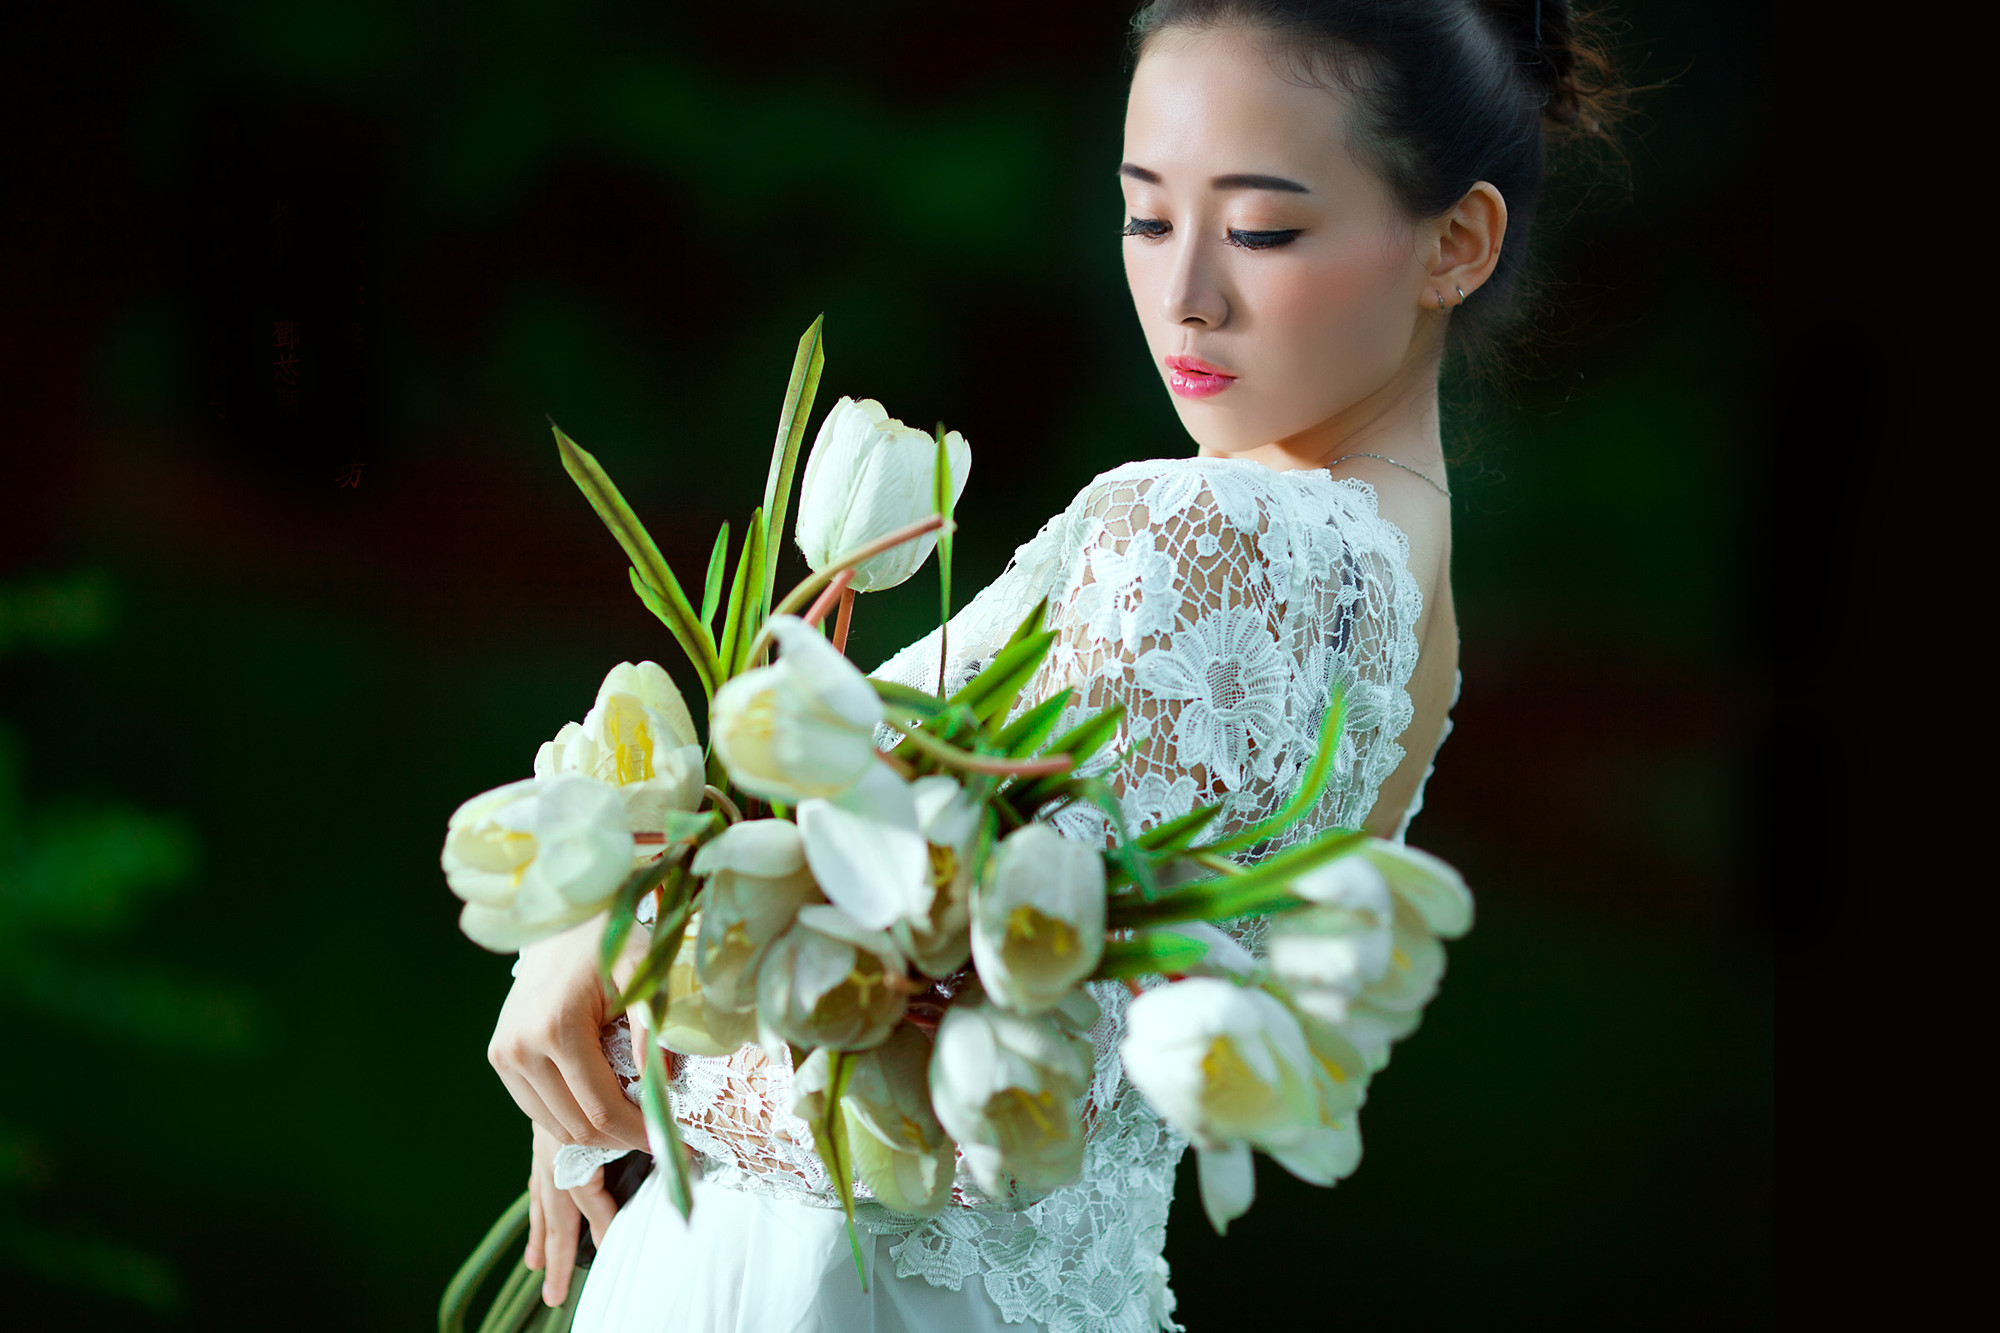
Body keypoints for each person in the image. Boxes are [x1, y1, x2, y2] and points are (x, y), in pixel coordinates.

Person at [485, 2, 1623, 1328]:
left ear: (1457, 242)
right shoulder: (1413, 615)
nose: (1187, 289)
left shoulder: (1212, 531)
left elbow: (994, 1112)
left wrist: (624, 1040)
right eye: (1148, 216)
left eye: (1261, 227)